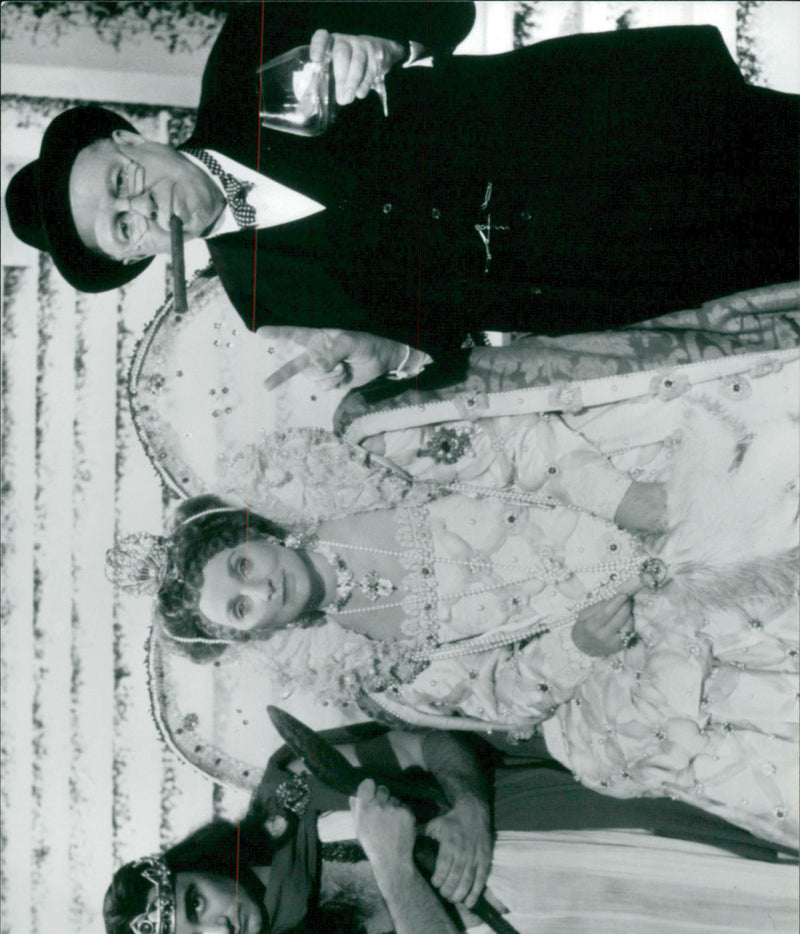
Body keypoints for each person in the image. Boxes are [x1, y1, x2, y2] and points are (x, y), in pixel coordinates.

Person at [106, 346, 799, 850]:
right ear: (249, 634)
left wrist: (631, 502)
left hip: (611, 502)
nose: (259, 586)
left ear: (251, 533)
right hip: (613, 634)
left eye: (241, 564)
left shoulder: (369, 465)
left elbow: (522, 447)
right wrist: (577, 645)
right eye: (240, 606)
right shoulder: (385, 673)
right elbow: (502, 697)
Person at [7, 4, 798, 398]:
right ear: (137, 256)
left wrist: (389, 37)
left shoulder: (248, 53)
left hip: (615, 129)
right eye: (122, 229)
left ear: (133, 142)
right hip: (615, 273)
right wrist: (397, 354)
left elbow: (448, 4)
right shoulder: (269, 302)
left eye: (120, 182)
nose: (142, 207)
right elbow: (451, 347)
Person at [104, 728, 798, 934]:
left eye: (196, 905)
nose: (222, 927)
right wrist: (395, 870)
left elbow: (433, 737)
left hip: (596, 829)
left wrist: (466, 803)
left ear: (194, 866)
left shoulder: (291, 784)